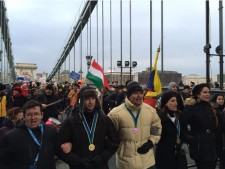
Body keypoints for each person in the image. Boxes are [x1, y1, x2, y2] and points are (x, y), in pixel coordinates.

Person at [57, 85, 119, 169]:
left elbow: (115, 141)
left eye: (93, 98)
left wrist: (104, 157)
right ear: (81, 100)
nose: (90, 102)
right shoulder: (72, 120)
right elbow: (58, 146)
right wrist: (76, 161)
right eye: (87, 99)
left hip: (100, 166)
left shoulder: (103, 119)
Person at [108, 81, 162, 169]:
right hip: (126, 163)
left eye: (141, 93)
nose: (139, 96)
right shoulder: (115, 113)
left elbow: (156, 128)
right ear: (128, 95)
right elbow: (108, 134)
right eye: (135, 93)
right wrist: (118, 146)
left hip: (147, 162)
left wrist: (151, 142)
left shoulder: (150, 111)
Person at [0, 100, 59, 169]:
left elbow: (59, 151)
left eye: (36, 114)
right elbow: (3, 163)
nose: (33, 118)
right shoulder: (10, 137)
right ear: (24, 117)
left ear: (42, 115)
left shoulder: (50, 130)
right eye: (29, 115)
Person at [180, 83, 218, 169]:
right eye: (204, 92)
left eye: (208, 92)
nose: (208, 94)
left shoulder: (210, 108)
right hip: (200, 147)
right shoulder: (192, 109)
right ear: (198, 94)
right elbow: (182, 126)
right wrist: (191, 138)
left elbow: (214, 126)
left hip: (212, 146)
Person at [155, 91, 187, 169]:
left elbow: (183, 132)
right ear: (166, 103)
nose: (175, 103)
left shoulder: (179, 115)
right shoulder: (159, 117)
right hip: (165, 154)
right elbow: (155, 135)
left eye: (176, 101)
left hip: (179, 153)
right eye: (172, 101)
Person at [210, 94, 225, 169]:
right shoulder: (213, 109)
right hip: (216, 138)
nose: (221, 101)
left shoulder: (222, 109)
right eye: (219, 99)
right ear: (215, 100)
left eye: (222, 99)